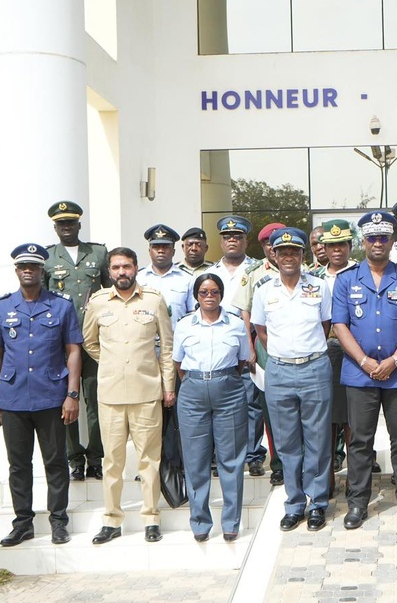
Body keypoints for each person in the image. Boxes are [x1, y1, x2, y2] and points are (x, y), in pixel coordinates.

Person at [333, 211, 397, 530]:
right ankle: (357, 503)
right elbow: (339, 325)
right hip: (360, 374)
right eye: (371, 237)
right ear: (363, 241)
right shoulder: (346, 280)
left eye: (383, 238)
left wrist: (395, 360)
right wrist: (364, 361)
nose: (377, 243)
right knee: (360, 441)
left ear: (391, 241)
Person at [0, 243, 83, 547]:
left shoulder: (62, 306)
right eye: (23, 266)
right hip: (13, 399)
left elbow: (73, 351)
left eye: (34, 266)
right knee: (18, 464)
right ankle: (23, 523)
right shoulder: (0, 308)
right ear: (16, 271)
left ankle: (58, 521)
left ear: (43, 270)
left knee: (55, 462)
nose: (28, 270)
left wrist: (73, 394)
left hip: (52, 396)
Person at [83, 247, 176, 544]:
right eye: (116, 268)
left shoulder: (154, 300)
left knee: (149, 460)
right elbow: (90, 343)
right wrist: (114, 365)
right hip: (110, 394)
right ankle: (112, 520)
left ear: (136, 267)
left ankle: (151, 518)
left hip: (146, 392)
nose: (121, 272)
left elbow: (168, 346)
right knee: (112, 462)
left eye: (126, 266)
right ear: (109, 272)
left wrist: (168, 386)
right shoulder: (98, 303)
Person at [251, 227, 333, 532]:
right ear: (273, 255)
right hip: (280, 370)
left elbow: (325, 325)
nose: (288, 257)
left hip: (314, 367)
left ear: (302, 255)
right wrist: (282, 356)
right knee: (286, 442)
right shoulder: (263, 290)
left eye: (294, 252)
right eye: (282, 252)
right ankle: (294, 502)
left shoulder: (320, 287)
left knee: (318, 438)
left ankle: (318, 502)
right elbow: (261, 330)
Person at [173, 273, 250, 543]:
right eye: (204, 292)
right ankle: (200, 522)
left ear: (221, 294)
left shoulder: (236, 325)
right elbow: (179, 364)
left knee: (231, 459)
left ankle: (231, 522)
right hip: (193, 392)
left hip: (228, 389)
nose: (209, 296)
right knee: (196, 461)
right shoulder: (184, 325)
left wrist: (220, 380)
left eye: (214, 292)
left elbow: (242, 361)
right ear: (196, 295)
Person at [43, 200, 109, 482]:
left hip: (94, 340)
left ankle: (96, 457)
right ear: (55, 227)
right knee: (65, 401)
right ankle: (74, 458)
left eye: (70, 222)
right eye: (61, 224)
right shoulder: (47, 258)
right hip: (61, 343)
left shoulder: (98, 253)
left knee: (95, 401)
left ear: (79, 224)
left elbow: (109, 293)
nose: (66, 227)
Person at [208, 215, 266, 477]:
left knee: (251, 402)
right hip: (216, 346)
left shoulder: (257, 269)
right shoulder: (209, 273)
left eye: (238, 237)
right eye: (227, 237)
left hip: (248, 341)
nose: (232, 240)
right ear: (221, 241)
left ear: (246, 240)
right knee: (220, 405)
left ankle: (254, 455)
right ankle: (224, 455)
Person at [235, 221, 287, 485]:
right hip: (265, 346)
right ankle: (278, 464)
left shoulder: (305, 270)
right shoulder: (253, 273)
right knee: (270, 409)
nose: (271, 247)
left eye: (276, 242)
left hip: (297, 346)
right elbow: (245, 312)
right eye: (267, 243)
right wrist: (249, 350)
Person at [312, 219, 357, 483]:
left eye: (341, 244)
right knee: (324, 420)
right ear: (324, 249)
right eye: (331, 245)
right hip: (321, 350)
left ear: (350, 246)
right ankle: (326, 480)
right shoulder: (312, 278)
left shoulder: (362, 273)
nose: (336, 250)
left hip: (353, 351)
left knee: (353, 419)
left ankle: (355, 479)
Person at [138, 224, 192, 329]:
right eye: (156, 247)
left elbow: (192, 314)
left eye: (166, 246)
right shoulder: (138, 278)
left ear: (173, 251)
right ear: (149, 251)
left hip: (175, 340)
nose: (161, 250)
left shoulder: (187, 279)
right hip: (146, 341)